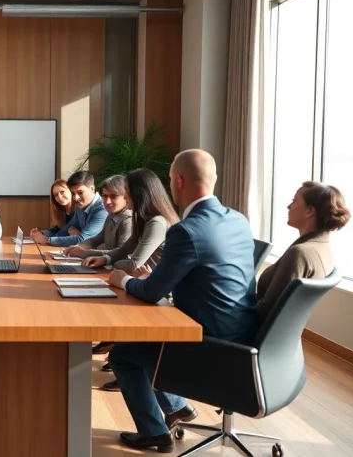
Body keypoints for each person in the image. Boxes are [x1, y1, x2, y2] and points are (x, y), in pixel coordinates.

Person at [104, 149, 257, 452]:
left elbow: (152, 293)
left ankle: (155, 433)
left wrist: (123, 280)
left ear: (178, 181)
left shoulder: (187, 230)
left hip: (208, 341)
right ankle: (175, 409)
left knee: (123, 354)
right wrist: (154, 278)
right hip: (240, 332)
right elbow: (206, 274)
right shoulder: (238, 219)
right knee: (140, 344)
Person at [82, 168, 180, 390]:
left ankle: (132, 369)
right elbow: (122, 253)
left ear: (140, 193)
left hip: (158, 294)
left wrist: (112, 264)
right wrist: (106, 259)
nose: (125, 196)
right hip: (142, 284)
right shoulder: (143, 219)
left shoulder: (157, 222)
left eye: (126, 191)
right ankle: (127, 362)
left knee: (106, 307)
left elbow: (133, 263)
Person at [256, 181, 349, 320]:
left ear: (309, 211)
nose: (288, 206)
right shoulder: (324, 247)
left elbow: (265, 311)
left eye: (294, 201)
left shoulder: (299, 253)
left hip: (252, 330)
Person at [30, 170, 107, 247]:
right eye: (73, 193)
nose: (76, 198)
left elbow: (82, 239)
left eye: (80, 192)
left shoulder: (102, 209)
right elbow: (66, 230)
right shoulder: (81, 207)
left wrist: (47, 240)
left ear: (92, 189)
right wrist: (44, 238)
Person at [63, 175, 132, 259]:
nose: (107, 202)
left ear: (126, 197)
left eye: (114, 196)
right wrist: (79, 246)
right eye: (105, 196)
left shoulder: (129, 220)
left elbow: (121, 254)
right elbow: (97, 239)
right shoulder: (111, 216)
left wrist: (85, 253)